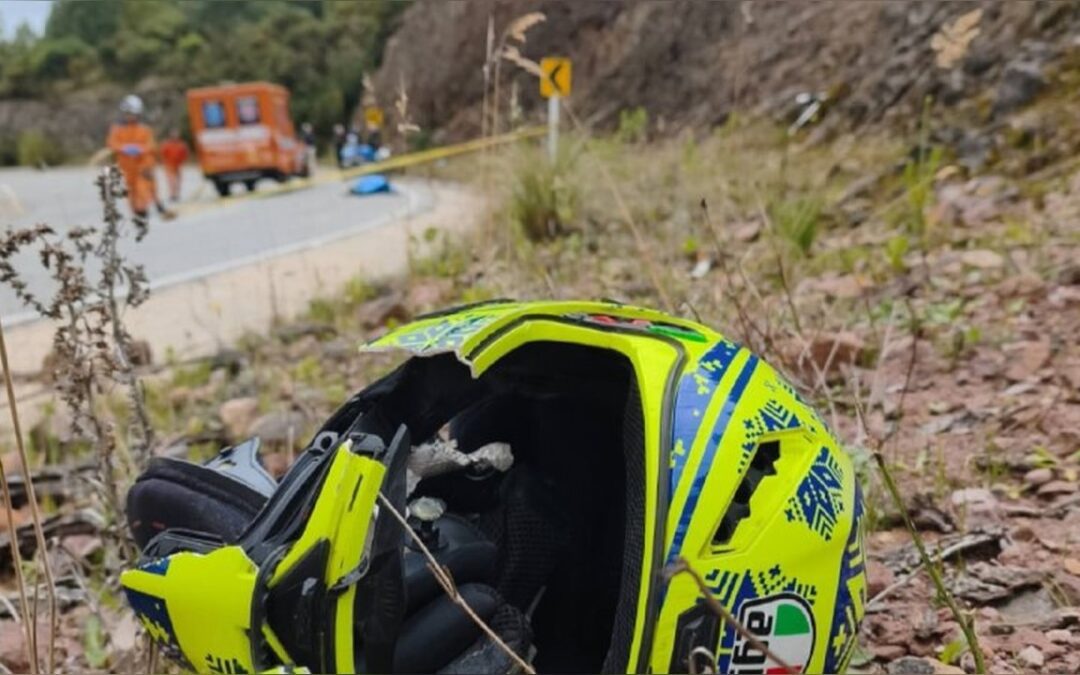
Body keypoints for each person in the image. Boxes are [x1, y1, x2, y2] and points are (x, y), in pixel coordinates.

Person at [106, 95, 174, 220]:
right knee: (131, 189)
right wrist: (124, 148)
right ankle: (137, 211)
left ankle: (143, 210)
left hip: (143, 164)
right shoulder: (117, 129)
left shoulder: (144, 129)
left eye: (132, 113)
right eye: (127, 113)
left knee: (144, 187)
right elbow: (112, 143)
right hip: (126, 166)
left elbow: (151, 145)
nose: (130, 116)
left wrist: (140, 149)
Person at [159, 129, 189, 202]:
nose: (175, 136)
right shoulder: (166, 144)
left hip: (178, 165)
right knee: (171, 181)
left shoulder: (182, 144)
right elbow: (163, 153)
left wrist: (182, 161)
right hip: (169, 165)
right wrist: (165, 162)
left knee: (178, 180)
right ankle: (172, 195)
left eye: (176, 135)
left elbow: (185, 153)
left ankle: (177, 194)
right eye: (173, 135)